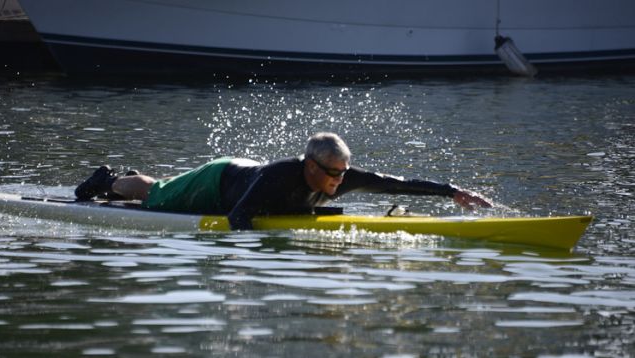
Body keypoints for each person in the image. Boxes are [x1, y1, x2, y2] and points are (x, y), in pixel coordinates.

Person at [75, 132, 492, 230]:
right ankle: (110, 180)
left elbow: (398, 184)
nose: (339, 182)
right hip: (219, 181)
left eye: (343, 173)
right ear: (310, 165)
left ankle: (120, 180)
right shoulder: (278, 177)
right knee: (158, 196)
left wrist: (452, 191)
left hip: (239, 174)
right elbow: (239, 218)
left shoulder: (340, 176)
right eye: (332, 173)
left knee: (162, 188)